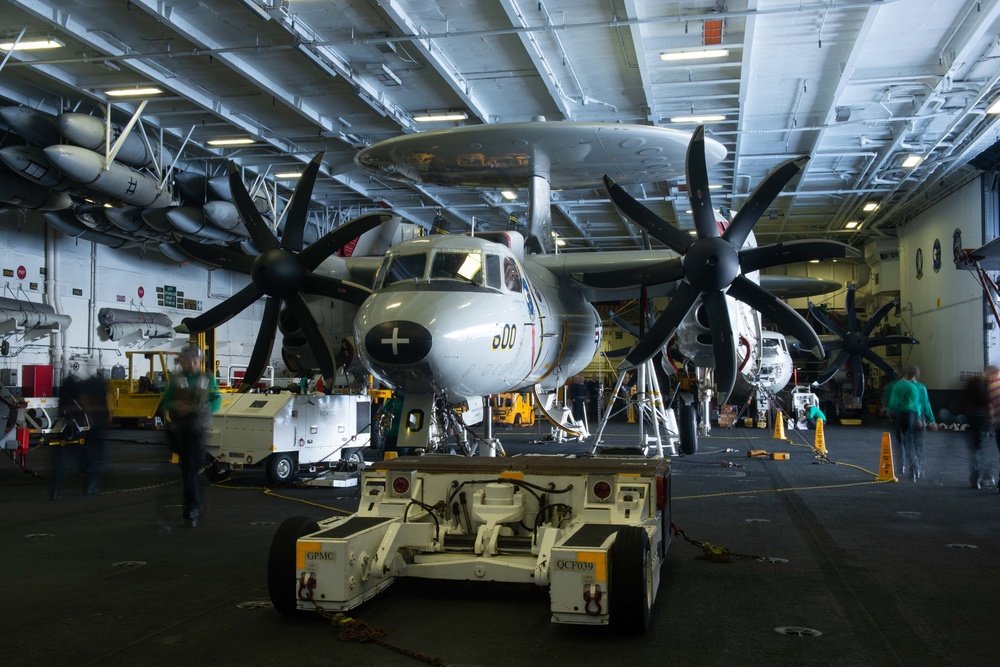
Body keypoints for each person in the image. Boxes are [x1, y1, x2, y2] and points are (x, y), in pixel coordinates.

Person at [162, 345, 221, 527]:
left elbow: (216, 399)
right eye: (188, 361)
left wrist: (200, 409)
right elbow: (166, 400)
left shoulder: (206, 378)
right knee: (188, 470)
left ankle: (192, 508)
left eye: (194, 361)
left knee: (191, 470)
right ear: (182, 362)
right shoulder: (177, 380)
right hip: (181, 429)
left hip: (198, 429)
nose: (191, 364)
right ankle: (192, 506)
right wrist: (177, 405)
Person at [887, 366, 937, 482]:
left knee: (903, 442)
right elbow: (925, 405)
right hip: (917, 418)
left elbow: (894, 401)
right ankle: (917, 467)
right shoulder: (920, 387)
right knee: (917, 444)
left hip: (903, 416)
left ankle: (904, 465)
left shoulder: (899, 385)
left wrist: (889, 409)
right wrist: (932, 421)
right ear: (916, 375)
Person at [961, 366, 996, 489]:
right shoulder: (982, 384)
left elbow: (963, 399)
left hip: (971, 418)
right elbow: (986, 400)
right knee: (981, 449)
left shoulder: (971, 382)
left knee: (976, 449)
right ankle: (981, 477)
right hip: (981, 419)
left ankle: (978, 478)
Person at [79, 375, 110, 494]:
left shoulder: (87, 392)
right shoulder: (99, 392)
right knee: (98, 457)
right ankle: (92, 485)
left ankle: (86, 474)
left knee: (91, 454)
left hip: (93, 426)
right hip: (98, 426)